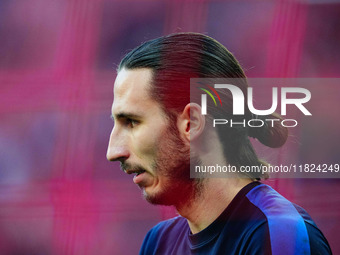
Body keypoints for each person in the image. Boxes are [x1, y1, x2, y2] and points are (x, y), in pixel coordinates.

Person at [106, 33, 332, 254]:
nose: (113, 152)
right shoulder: (159, 242)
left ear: (192, 123)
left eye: (132, 122)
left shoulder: (278, 235)